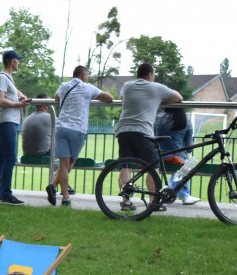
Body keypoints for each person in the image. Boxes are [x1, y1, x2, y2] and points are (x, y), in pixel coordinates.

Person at [115, 63, 183, 212]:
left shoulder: (127, 85)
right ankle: (153, 202)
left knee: (126, 165)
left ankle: (126, 202)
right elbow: (178, 97)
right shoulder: (156, 88)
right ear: (150, 75)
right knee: (153, 166)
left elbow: (123, 98)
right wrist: (159, 100)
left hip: (123, 129)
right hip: (142, 131)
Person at [49, 66, 114, 206]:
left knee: (63, 163)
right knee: (70, 163)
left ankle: (60, 192)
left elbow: (56, 97)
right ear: (84, 75)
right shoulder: (87, 87)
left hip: (61, 127)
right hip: (77, 129)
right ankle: (59, 192)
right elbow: (109, 98)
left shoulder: (64, 85)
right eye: (88, 75)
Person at [0, 50, 30, 205]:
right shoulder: (2, 78)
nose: (19, 62)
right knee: (10, 157)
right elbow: (0, 101)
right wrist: (19, 104)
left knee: (1, 157)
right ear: (12, 61)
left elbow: (11, 91)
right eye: (18, 60)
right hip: (6, 121)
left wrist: (20, 95)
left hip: (8, 121)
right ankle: (6, 194)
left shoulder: (7, 78)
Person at [154, 107, 199, 205]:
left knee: (181, 167)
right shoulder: (186, 122)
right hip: (177, 158)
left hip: (158, 157)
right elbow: (189, 148)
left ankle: (172, 187)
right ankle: (184, 196)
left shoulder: (158, 118)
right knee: (190, 163)